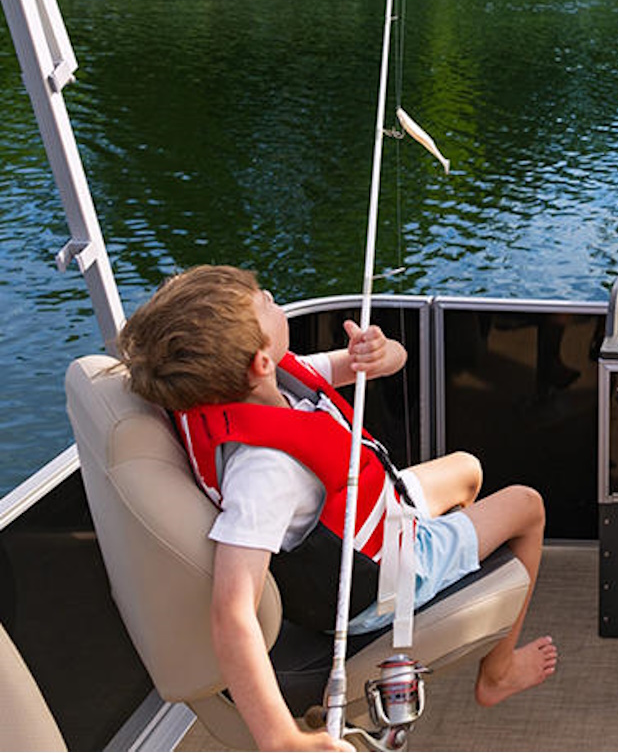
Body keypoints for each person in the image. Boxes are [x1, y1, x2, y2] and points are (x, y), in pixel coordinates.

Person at [119, 265, 559, 752]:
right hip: (380, 578)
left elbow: (380, 363)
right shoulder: (263, 472)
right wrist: (282, 739)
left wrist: (382, 352)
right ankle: (498, 672)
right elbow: (233, 612)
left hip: (373, 520)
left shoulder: (266, 382)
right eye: (266, 302)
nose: (273, 298)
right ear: (260, 362)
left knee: (467, 469)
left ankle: (454, 560)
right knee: (527, 505)